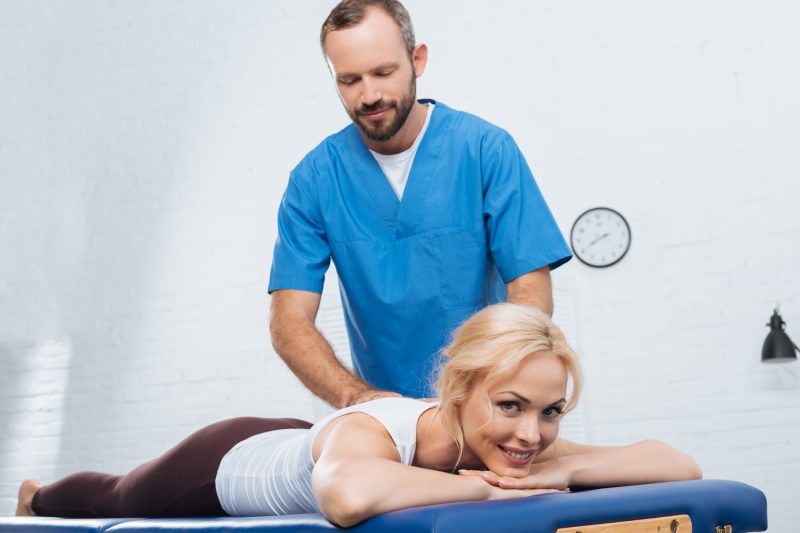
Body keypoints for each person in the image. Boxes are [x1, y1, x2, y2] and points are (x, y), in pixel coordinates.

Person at [16, 304, 702, 527]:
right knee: (119, 493)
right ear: (459, 390)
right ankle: (38, 493)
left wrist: (570, 462)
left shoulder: (517, 445)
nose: (531, 432)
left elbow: (678, 465)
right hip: (223, 464)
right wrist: (482, 486)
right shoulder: (380, 427)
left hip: (305, 442)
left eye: (551, 412)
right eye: (511, 405)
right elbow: (347, 495)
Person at [269, 0, 573, 408]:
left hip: (489, 404)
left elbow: (530, 290)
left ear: (418, 60)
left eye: (383, 72)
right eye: (350, 80)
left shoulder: (484, 150)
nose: (369, 94)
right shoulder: (313, 181)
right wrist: (358, 398)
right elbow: (288, 323)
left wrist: (492, 389)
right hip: (389, 418)